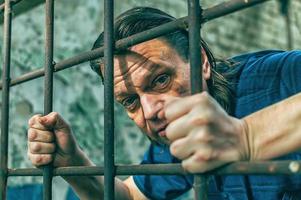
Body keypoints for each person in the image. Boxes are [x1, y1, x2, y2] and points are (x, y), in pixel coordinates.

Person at [27, 7, 301, 200]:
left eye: (160, 80)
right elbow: (131, 196)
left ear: (201, 61)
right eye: (130, 101)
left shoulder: (279, 74)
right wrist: (74, 164)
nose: (150, 112)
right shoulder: (175, 135)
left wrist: (247, 138)